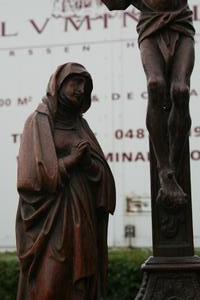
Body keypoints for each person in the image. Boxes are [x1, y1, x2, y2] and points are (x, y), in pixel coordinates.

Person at [16, 62, 116, 300]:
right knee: (50, 285)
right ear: (58, 85)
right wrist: (71, 160)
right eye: (75, 82)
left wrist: (89, 164)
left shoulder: (81, 125)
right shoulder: (38, 121)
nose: (80, 89)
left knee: (79, 290)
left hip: (82, 220)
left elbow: (102, 176)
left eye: (85, 85)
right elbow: (30, 177)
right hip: (50, 222)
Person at [102, 0, 195, 206]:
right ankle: (165, 171)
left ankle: (173, 167)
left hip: (180, 23)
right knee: (155, 84)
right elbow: (115, 4)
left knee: (181, 90)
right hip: (150, 27)